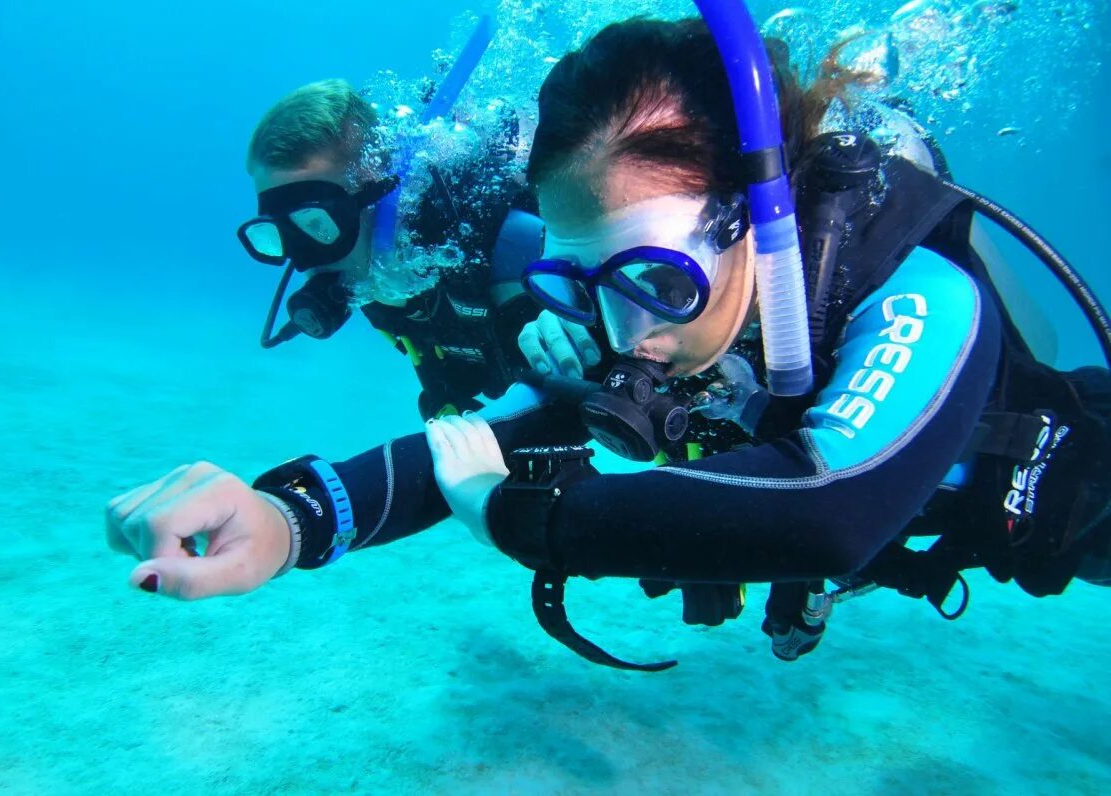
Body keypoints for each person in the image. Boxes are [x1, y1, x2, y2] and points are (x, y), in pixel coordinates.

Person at [107, 7, 1111, 668]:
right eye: (579, 280)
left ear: (749, 219)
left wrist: (522, 521)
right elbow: (484, 442)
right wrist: (288, 519)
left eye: (653, 276)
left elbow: (831, 512)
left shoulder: (915, 289)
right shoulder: (633, 314)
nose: (620, 329)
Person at [239, 74, 547, 420]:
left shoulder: (505, 242)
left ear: (379, 197)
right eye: (277, 234)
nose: (303, 257)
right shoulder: (372, 267)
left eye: (316, 225)